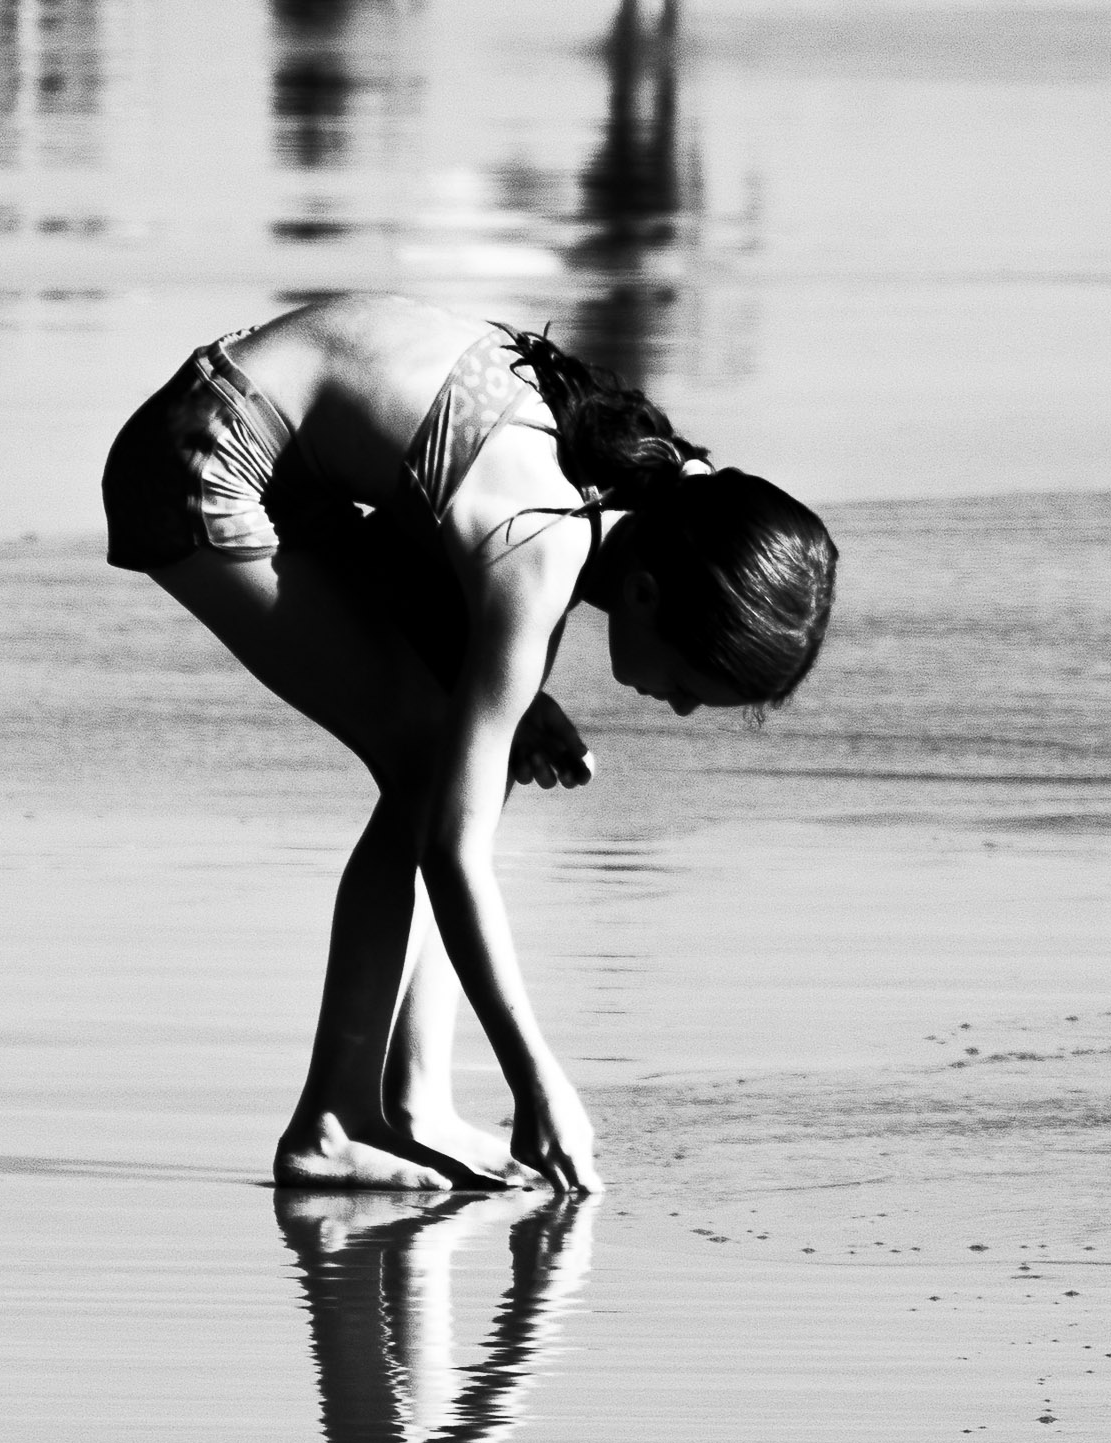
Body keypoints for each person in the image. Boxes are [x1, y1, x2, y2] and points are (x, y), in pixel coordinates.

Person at [102, 293, 837, 1194]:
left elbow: (431, 543)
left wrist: (509, 692)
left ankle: (410, 1104)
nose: (677, 710)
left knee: (456, 761)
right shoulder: (542, 546)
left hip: (299, 466)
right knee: (427, 770)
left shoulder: (672, 488)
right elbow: (453, 854)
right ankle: (332, 1123)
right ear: (643, 596)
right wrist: (539, 1082)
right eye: (689, 686)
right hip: (203, 457)